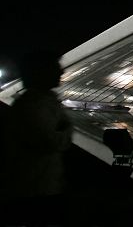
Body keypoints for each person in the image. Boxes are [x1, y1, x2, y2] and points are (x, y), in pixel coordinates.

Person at [1, 51, 73, 223]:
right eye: (55, 67)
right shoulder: (34, 106)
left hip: (39, 187)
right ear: (40, 72)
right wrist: (67, 128)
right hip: (36, 190)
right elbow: (52, 142)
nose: (61, 71)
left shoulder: (39, 102)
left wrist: (63, 128)